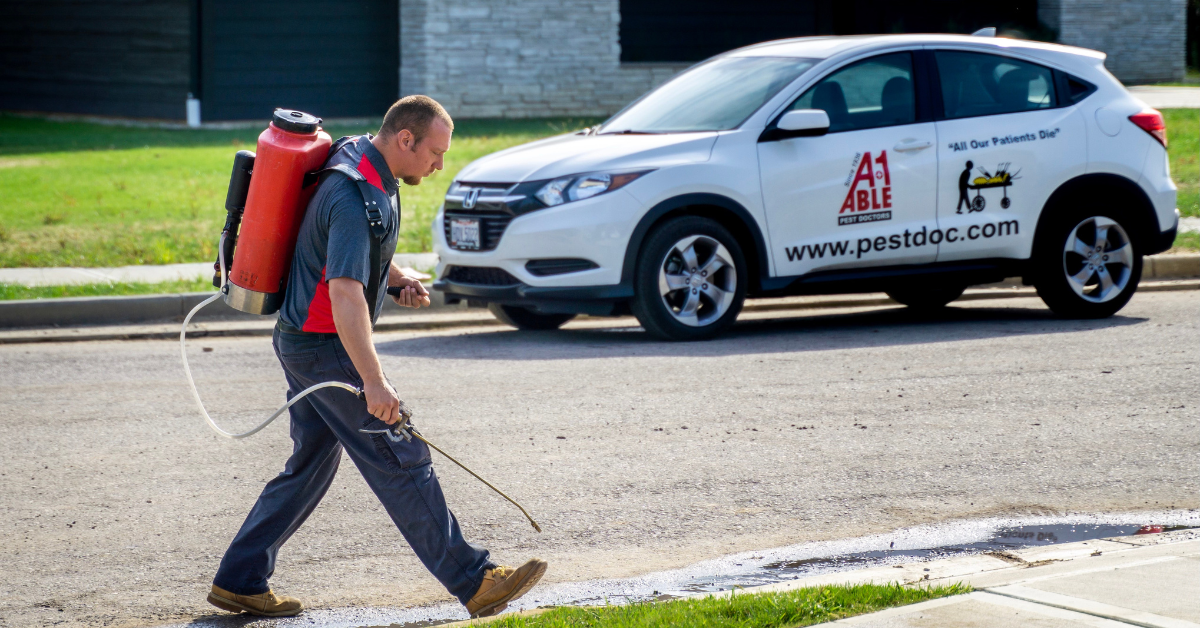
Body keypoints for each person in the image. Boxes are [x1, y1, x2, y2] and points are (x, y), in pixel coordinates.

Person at [206, 95, 546, 619]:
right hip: (324, 348)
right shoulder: (353, 192)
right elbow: (343, 291)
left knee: (310, 466)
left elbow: (344, 256)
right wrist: (375, 382)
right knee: (401, 458)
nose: (439, 165)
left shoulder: (365, 166)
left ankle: (240, 580)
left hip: (303, 341)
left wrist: (394, 277)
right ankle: (475, 580)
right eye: (435, 152)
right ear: (405, 139)